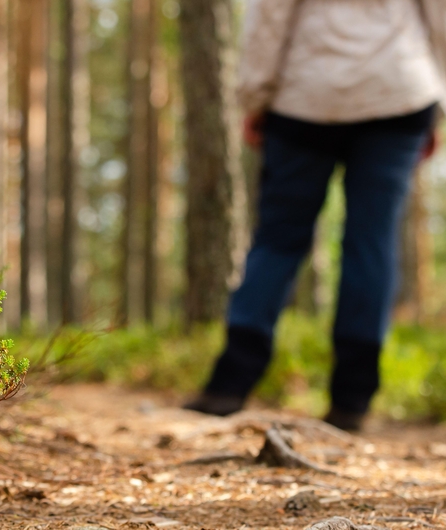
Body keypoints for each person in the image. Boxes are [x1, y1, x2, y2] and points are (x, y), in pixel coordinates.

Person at [184, 0, 446, 431]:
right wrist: (435, 103)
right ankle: (352, 399)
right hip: (398, 89)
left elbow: (270, 16)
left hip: (306, 96)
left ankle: (228, 385)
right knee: (371, 243)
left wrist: (255, 96)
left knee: (278, 239)